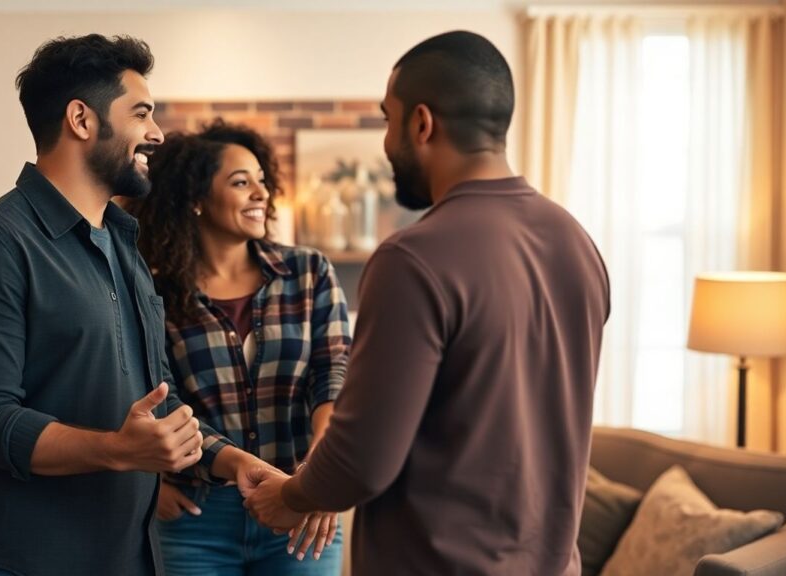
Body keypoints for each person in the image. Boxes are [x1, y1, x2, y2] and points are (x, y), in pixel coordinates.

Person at [244, 30, 611, 576]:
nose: (387, 142)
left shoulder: (411, 258)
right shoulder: (577, 242)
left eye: (388, 120)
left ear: (421, 123)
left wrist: (290, 495)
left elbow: (361, 457)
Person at [0, 35, 266, 576]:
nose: (157, 133)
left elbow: (156, 402)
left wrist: (231, 462)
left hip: (129, 558)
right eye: (141, 113)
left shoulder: (121, 243)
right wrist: (117, 449)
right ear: (82, 120)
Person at [127, 119, 351, 575]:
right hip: (196, 518)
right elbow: (155, 398)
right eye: (240, 182)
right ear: (195, 200)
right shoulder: (153, 290)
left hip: (299, 506)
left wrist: (321, 476)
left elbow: (333, 375)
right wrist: (149, 485)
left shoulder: (308, 273)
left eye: (262, 181)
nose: (261, 194)